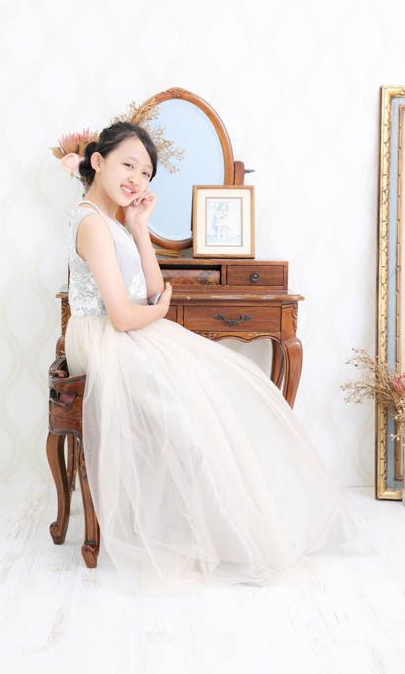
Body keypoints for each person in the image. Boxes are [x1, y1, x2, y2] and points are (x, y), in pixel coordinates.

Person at [64, 121, 361, 593]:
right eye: (128, 165)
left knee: (230, 387)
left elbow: (153, 290)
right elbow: (124, 315)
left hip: (129, 331)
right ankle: (219, 534)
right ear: (97, 161)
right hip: (103, 337)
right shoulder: (91, 223)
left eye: (145, 173)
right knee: (185, 414)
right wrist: (159, 311)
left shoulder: (116, 223)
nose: (136, 179)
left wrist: (139, 230)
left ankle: (246, 522)